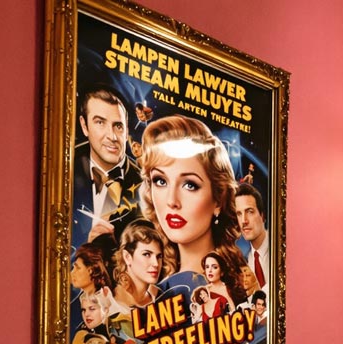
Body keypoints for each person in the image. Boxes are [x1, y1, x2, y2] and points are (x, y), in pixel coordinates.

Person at [137, 115, 253, 289]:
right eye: (160, 181)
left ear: (218, 199)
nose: (171, 201)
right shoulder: (153, 289)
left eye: (190, 185)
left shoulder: (245, 286)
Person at [71, 85, 142, 249]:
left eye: (118, 126)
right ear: (84, 126)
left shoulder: (147, 186)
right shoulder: (63, 170)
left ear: (127, 131)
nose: (111, 136)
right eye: (100, 123)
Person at [110, 222, 171, 313]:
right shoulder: (113, 301)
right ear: (127, 257)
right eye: (146, 254)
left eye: (159, 257)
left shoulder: (161, 294)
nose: (156, 264)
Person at [234, 184, 271, 289]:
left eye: (249, 212)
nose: (243, 221)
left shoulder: (280, 249)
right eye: (239, 214)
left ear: (262, 216)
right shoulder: (246, 262)